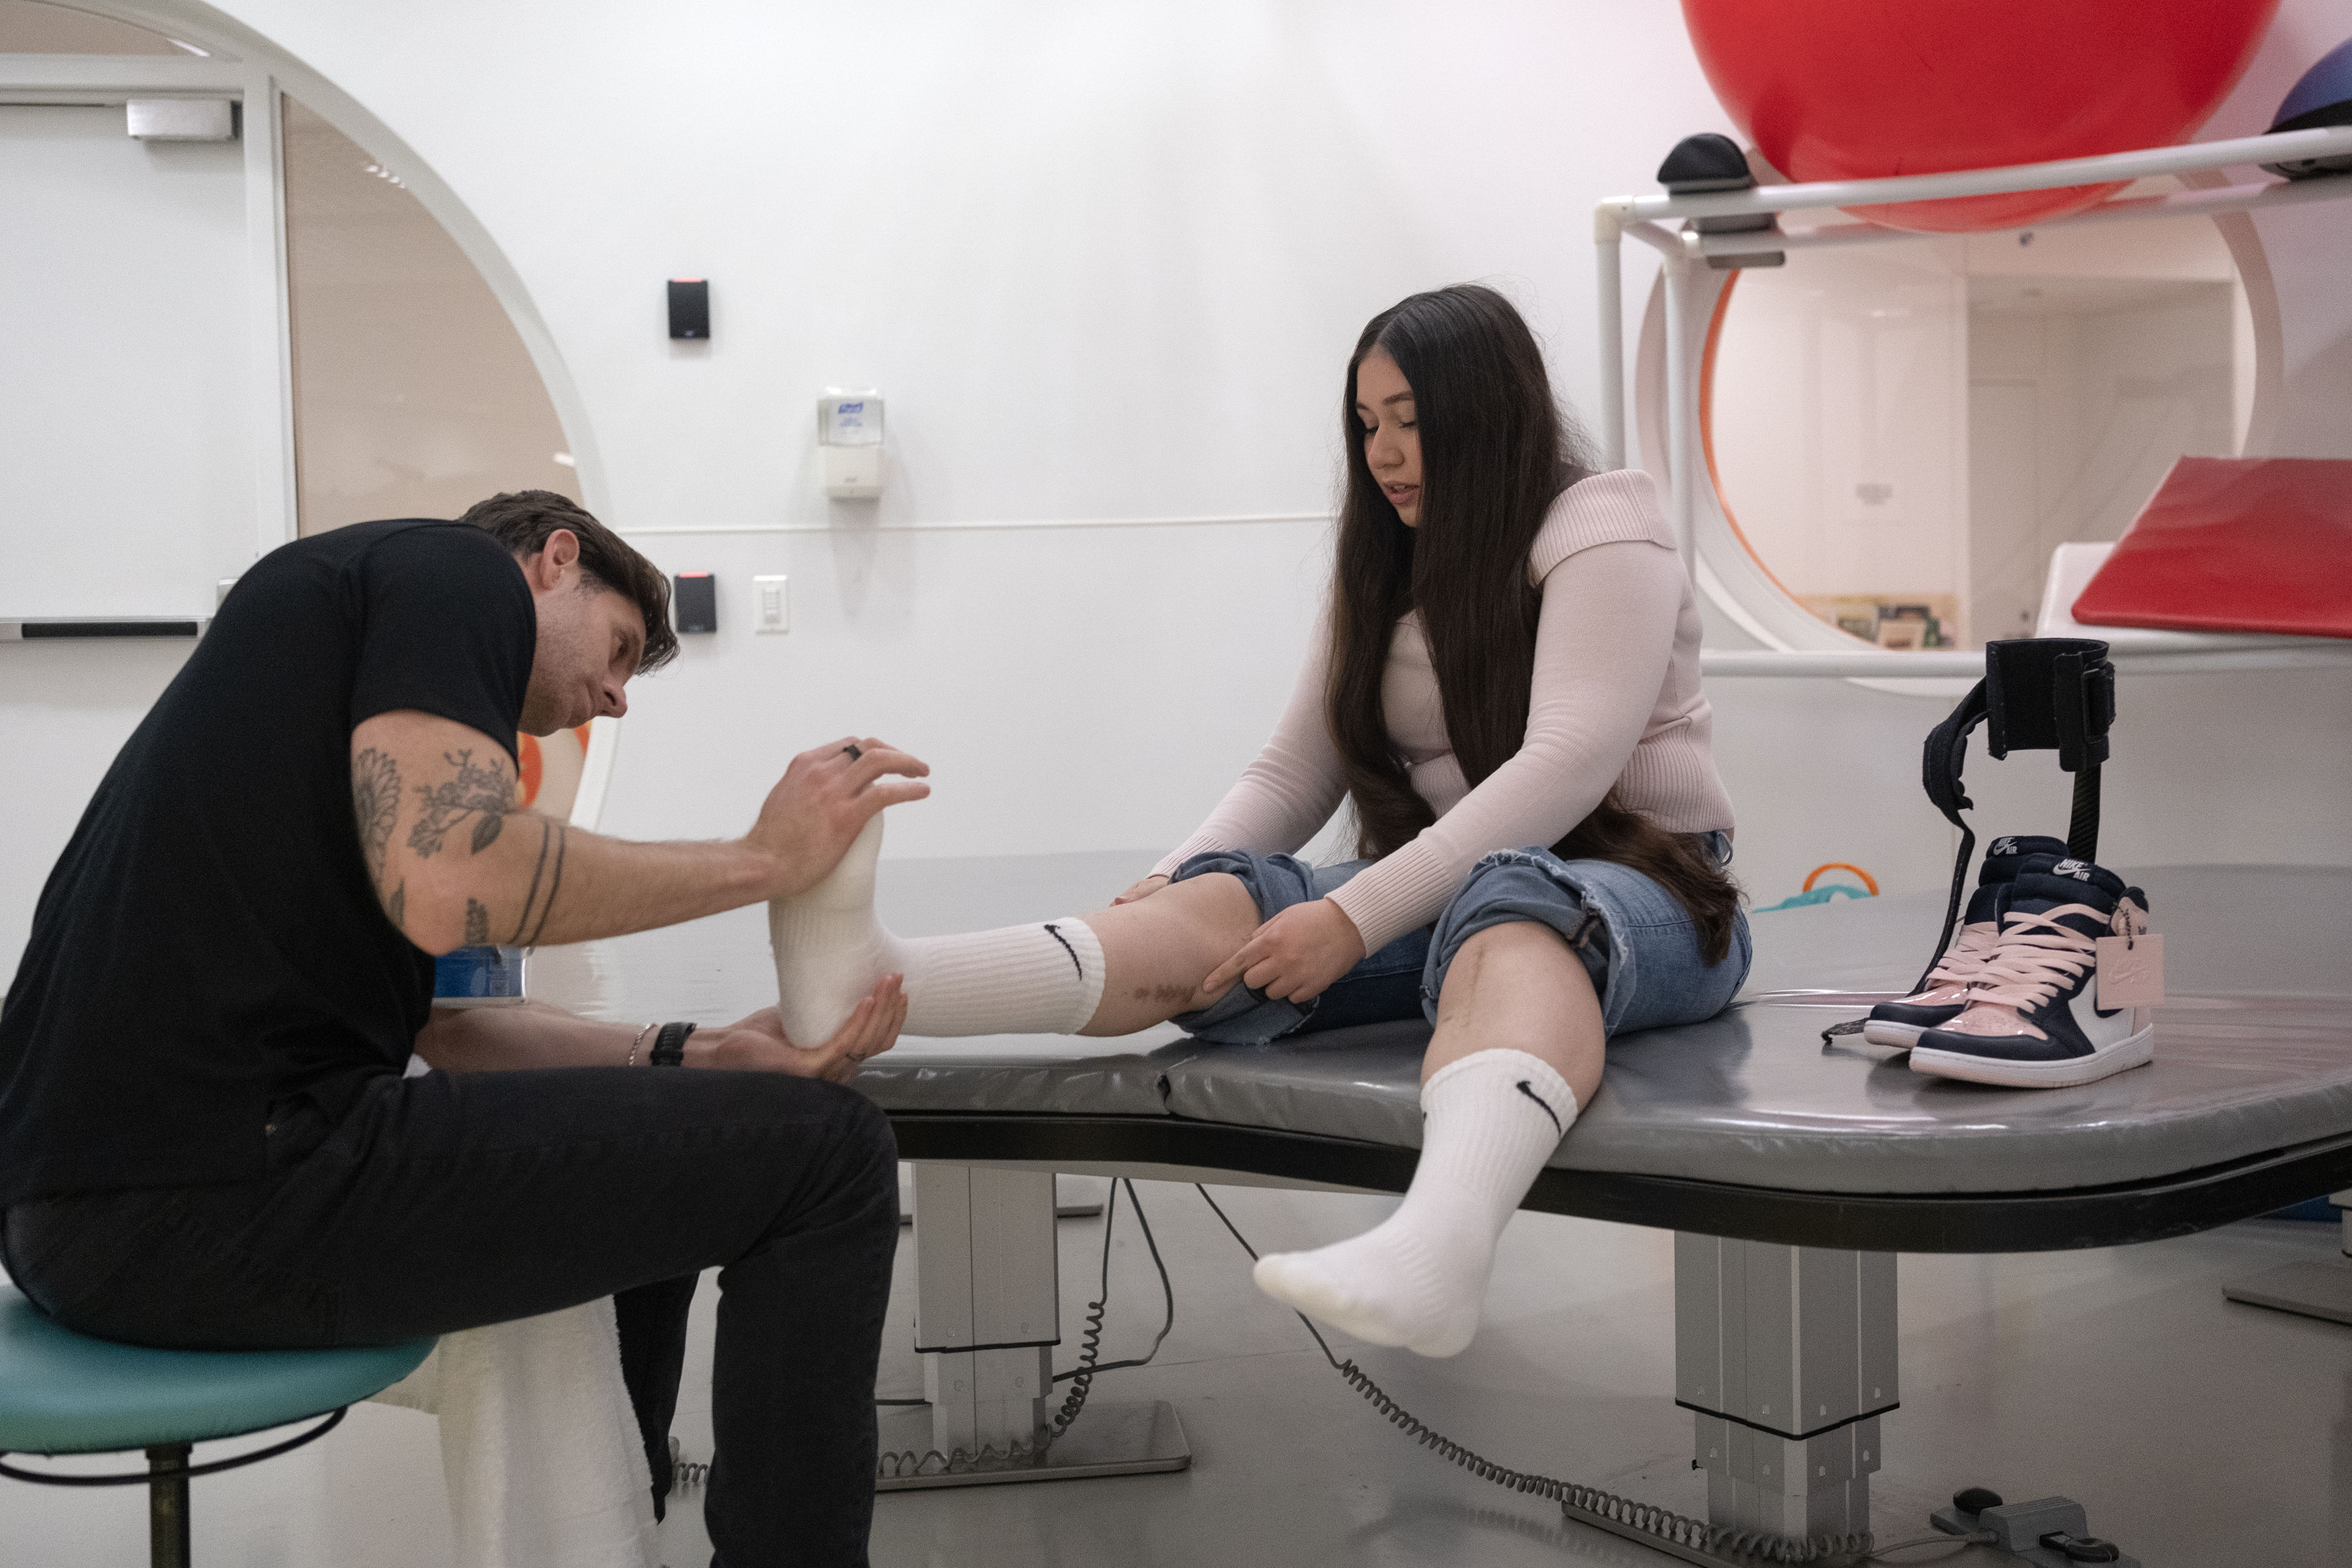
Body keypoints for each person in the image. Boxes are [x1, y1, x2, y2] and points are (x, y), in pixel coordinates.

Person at [767, 285, 1748, 1359]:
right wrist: (1171, 880)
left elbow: (1567, 764)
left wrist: (1358, 916)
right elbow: (1295, 764)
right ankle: (871, 982)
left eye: (1413, 419)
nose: (1386, 453)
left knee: (1517, 907)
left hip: (1647, 888)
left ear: (1489, 410)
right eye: (1368, 425)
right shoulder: (1386, 560)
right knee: (1226, 900)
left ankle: (1437, 1251)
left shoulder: (1602, 519)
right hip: (1457, 889)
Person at [0, 491, 928, 1566]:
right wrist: (766, 859)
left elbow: (454, 1027)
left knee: (687, 1131)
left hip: (81, 1213)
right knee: (832, 1155)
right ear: (552, 560)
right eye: (622, 649)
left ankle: (626, 1528)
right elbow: (459, 881)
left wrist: (706, 1053)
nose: (617, 700)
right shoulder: (453, 573)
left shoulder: (332, 662)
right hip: (208, 1194)